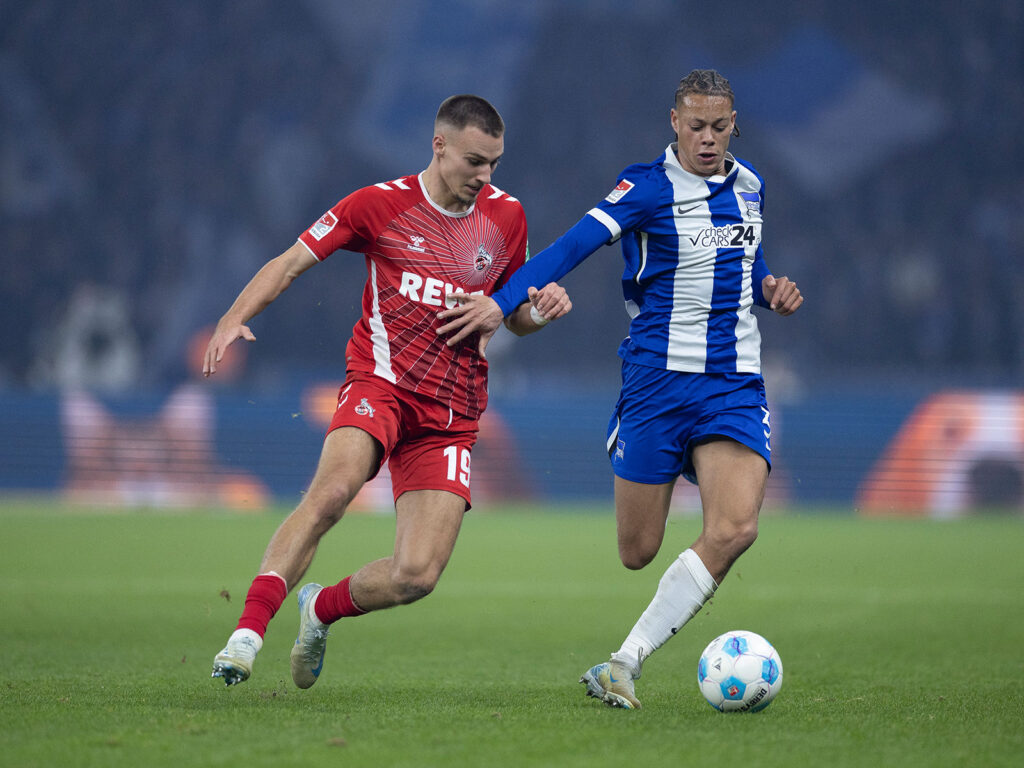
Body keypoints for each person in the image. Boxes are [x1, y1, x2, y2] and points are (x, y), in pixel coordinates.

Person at [436, 70, 803, 709]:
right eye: (697, 126)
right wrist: (500, 303)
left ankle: (622, 662)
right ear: (674, 123)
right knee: (638, 551)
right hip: (656, 383)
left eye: (720, 126)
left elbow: (750, 265)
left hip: (732, 382)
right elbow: (571, 247)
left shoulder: (751, 187)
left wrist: (770, 291)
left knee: (736, 527)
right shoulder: (646, 188)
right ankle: (639, 447)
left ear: (733, 124)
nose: (709, 139)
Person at [205, 94, 571, 688]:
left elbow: (510, 316)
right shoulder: (379, 205)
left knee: (417, 575)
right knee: (330, 496)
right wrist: (231, 317)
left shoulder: (507, 218)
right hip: (382, 383)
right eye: (475, 161)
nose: (485, 176)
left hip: (452, 410)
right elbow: (291, 262)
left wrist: (540, 312)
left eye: (495, 164)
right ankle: (246, 635)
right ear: (439, 145)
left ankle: (320, 609)